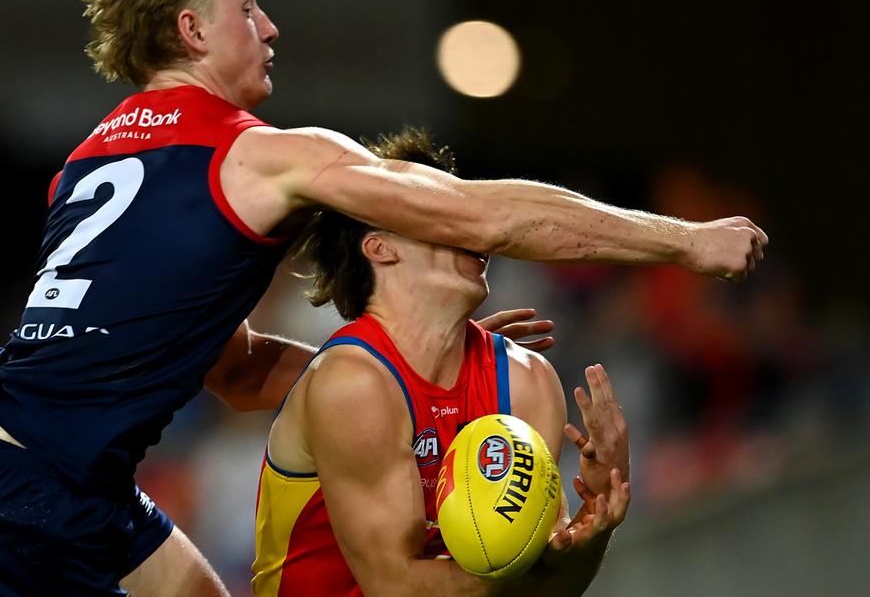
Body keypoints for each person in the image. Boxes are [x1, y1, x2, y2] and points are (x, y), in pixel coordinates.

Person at [0, 0, 766, 596]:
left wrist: (403, 377)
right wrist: (684, 242)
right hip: (31, 502)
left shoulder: (89, 163)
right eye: (246, 7)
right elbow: (480, 217)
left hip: (31, 481)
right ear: (192, 29)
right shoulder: (254, 155)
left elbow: (235, 371)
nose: (270, 25)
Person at [254, 130, 630, 596]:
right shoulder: (352, 382)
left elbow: (545, 591)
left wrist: (594, 524)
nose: (474, 228)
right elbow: (395, 586)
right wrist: (521, 566)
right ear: (379, 247)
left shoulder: (526, 379)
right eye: (442, 213)